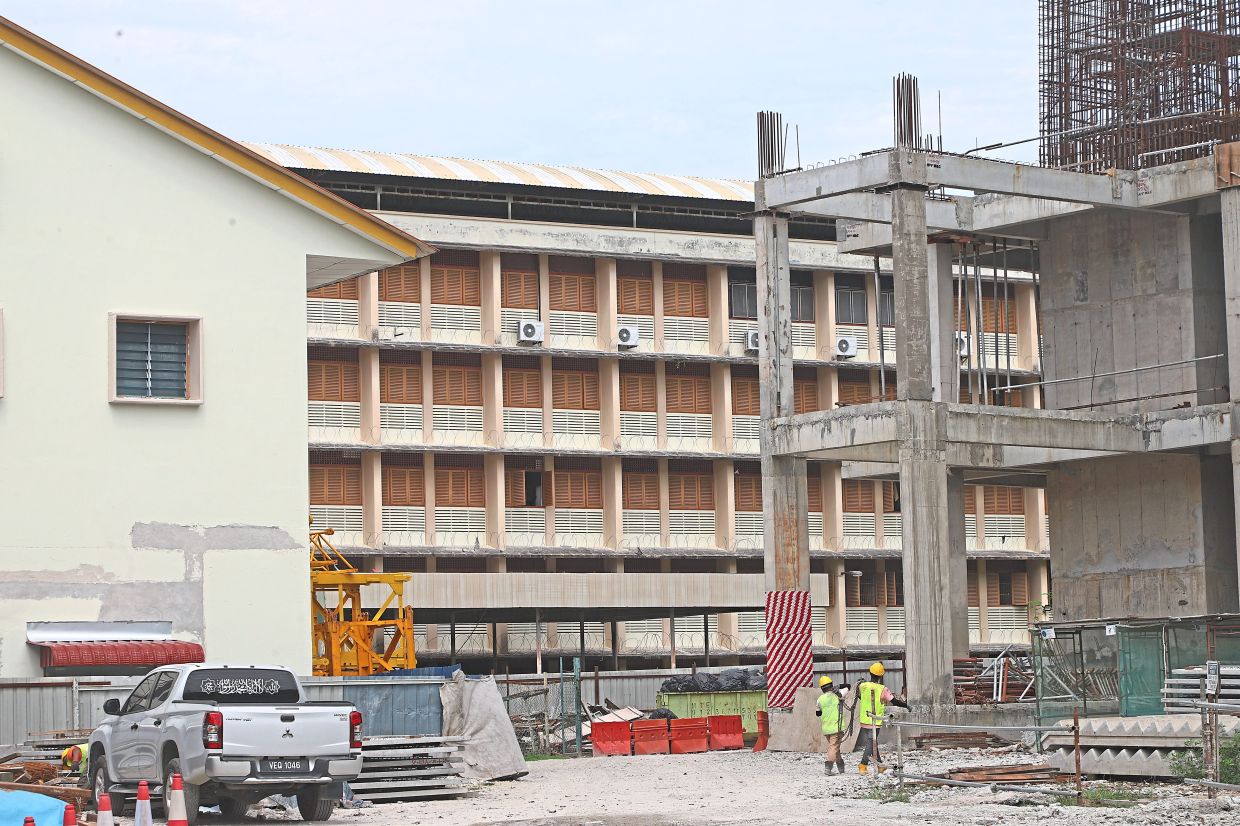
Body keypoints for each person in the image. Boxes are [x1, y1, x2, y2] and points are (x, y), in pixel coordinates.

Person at [855, 662, 908, 774]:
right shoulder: (883, 689)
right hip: (875, 720)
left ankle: (880, 766)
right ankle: (863, 764)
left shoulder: (862, 686)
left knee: (873, 742)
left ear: (870, 673)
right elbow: (894, 701)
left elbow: (860, 696)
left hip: (864, 719)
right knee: (871, 742)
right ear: (881, 676)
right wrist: (906, 705)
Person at [814, 675, 851, 775]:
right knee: (834, 747)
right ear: (832, 685)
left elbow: (818, 714)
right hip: (836, 727)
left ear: (822, 688)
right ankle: (828, 767)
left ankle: (840, 766)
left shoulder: (819, 700)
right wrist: (839, 686)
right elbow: (849, 686)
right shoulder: (838, 695)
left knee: (834, 747)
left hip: (826, 729)